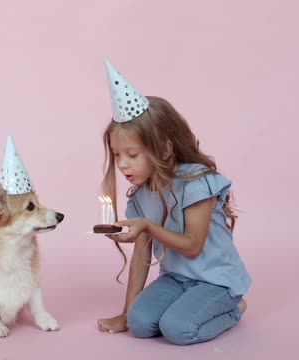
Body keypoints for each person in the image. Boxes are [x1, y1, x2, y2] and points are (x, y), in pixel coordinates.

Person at [96, 61, 252, 345]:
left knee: (177, 329)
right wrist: (126, 313)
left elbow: (193, 245)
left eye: (132, 154)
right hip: (177, 279)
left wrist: (147, 227)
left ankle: (234, 309)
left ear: (165, 149)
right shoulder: (140, 196)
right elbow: (142, 257)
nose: (122, 164)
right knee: (139, 324)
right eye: (117, 155)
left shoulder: (196, 182)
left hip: (216, 281)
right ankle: (178, 306)